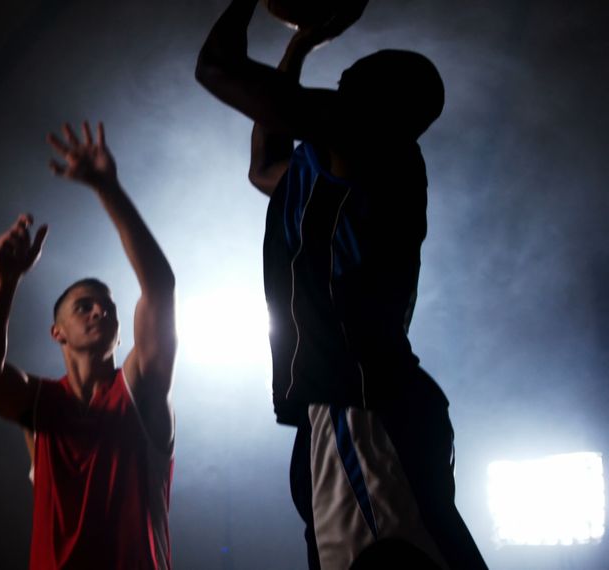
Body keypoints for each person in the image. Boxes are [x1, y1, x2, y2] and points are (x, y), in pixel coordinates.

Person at [196, 2, 487, 568]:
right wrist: (298, 47)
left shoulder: (375, 144)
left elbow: (217, 69)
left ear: (387, 102)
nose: (347, 72)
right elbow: (263, 169)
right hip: (353, 402)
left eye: (362, 71)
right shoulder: (335, 165)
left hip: (362, 403)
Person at [0, 121, 177, 569]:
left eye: (107, 307)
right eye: (85, 306)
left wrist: (108, 188)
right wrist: (4, 281)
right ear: (56, 332)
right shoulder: (41, 405)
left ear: (122, 332)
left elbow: (159, 286)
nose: (100, 311)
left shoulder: (141, 390)